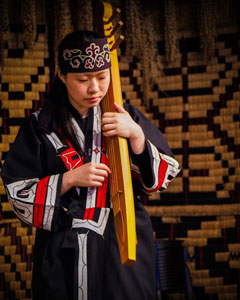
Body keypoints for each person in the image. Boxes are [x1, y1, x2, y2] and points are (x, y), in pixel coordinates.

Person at [1, 30, 180, 300]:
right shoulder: (40, 127)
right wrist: (68, 179)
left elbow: (164, 175)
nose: (94, 88)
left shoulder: (127, 116)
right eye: (83, 79)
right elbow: (17, 191)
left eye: (102, 76)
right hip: (64, 249)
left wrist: (137, 136)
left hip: (123, 242)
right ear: (62, 76)